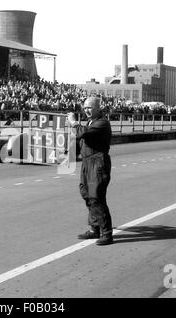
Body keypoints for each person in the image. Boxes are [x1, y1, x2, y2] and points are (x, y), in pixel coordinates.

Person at [67, 96, 113, 246]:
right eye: (85, 107)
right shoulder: (90, 122)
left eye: (89, 107)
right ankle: (95, 229)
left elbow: (82, 133)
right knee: (86, 193)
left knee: (96, 197)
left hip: (97, 162)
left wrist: (73, 122)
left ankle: (107, 233)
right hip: (87, 162)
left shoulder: (102, 123)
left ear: (98, 108)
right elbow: (82, 140)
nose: (86, 110)